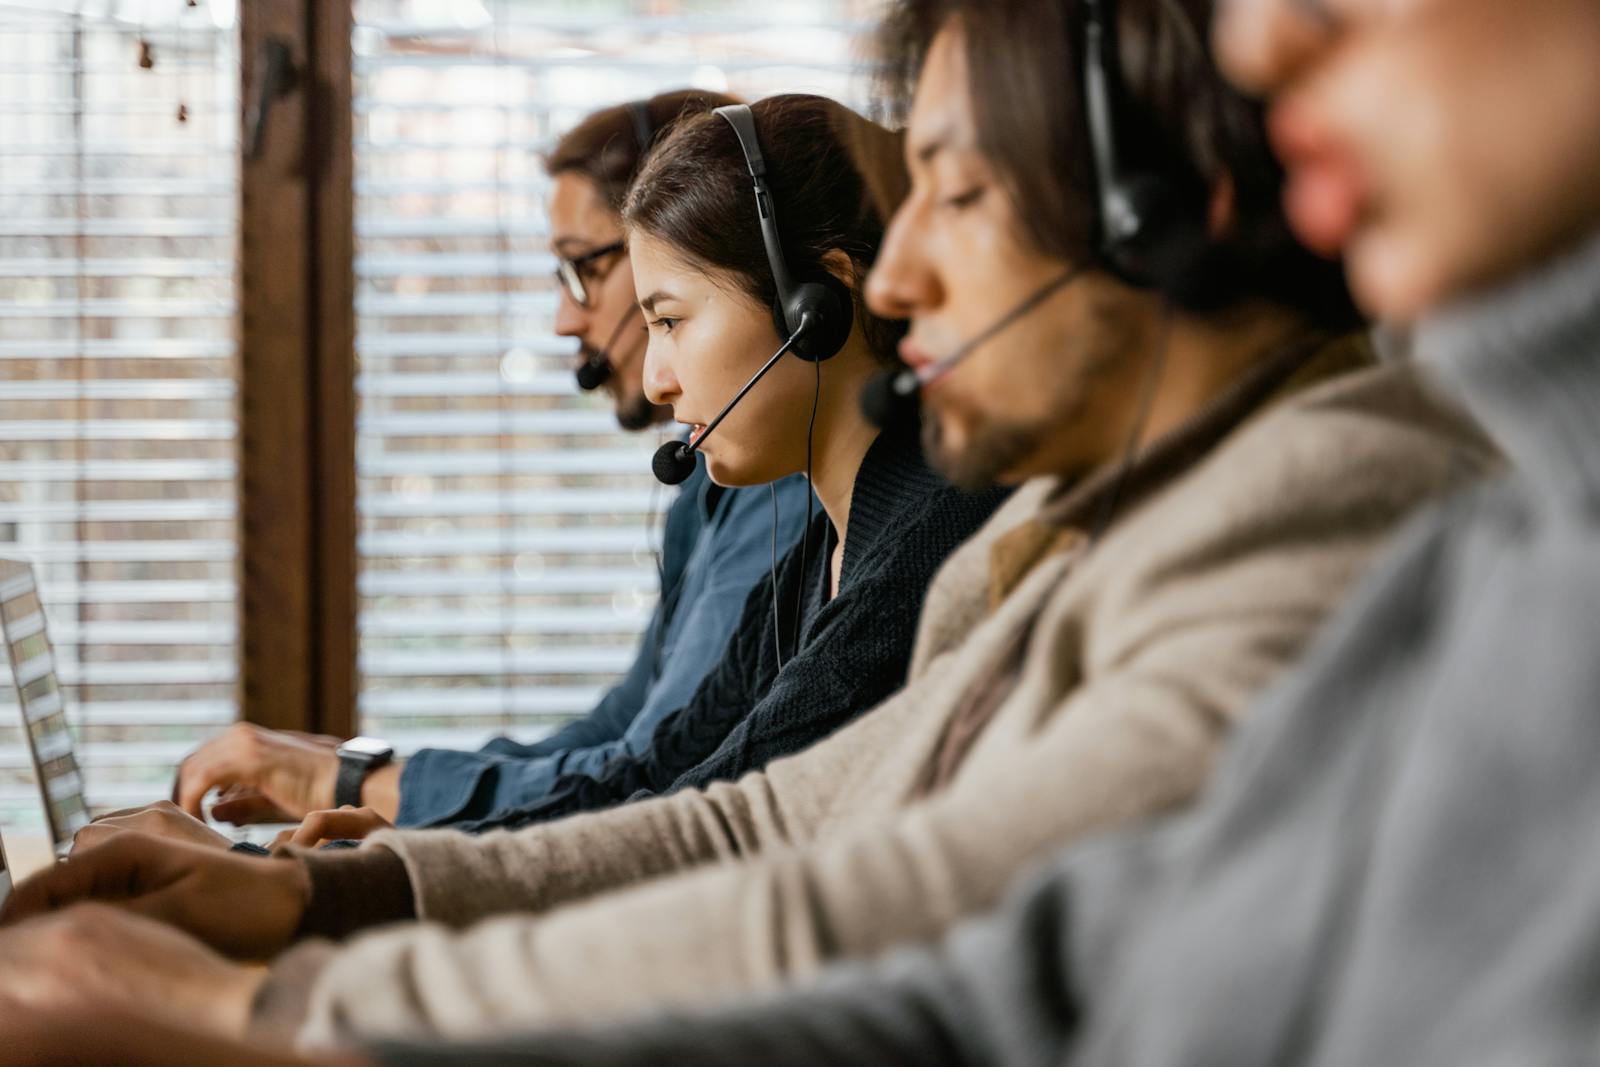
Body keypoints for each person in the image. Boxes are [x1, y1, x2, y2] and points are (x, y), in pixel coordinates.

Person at [0, 0, 1492, 1049]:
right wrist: (328, 891)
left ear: (1160, 211)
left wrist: (258, 1004)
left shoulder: (1316, 502)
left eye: (957, 193)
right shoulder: (1074, 535)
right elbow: (761, 813)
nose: (895, 285)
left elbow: (894, 914)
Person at [129, 90, 815, 838]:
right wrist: (354, 771)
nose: (564, 316)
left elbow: (639, 782)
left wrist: (346, 779)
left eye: (582, 268)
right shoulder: (711, 489)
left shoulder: (780, 489)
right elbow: (617, 737)